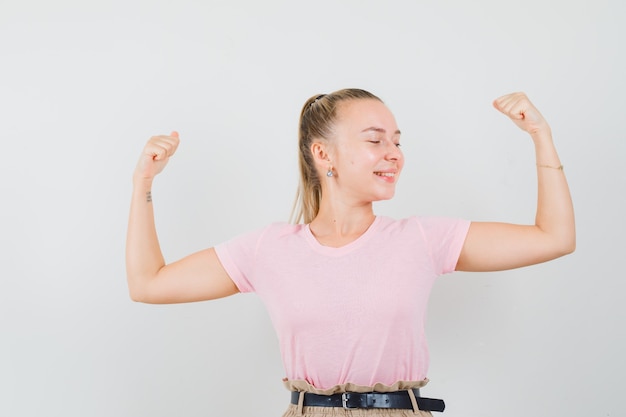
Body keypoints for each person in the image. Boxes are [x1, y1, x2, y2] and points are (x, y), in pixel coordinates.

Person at [126, 88, 575, 416]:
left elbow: (553, 237)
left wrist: (541, 135)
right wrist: (143, 184)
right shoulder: (268, 249)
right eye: (375, 140)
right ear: (324, 155)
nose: (394, 153)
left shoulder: (421, 239)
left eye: (397, 141)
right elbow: (148, 284)